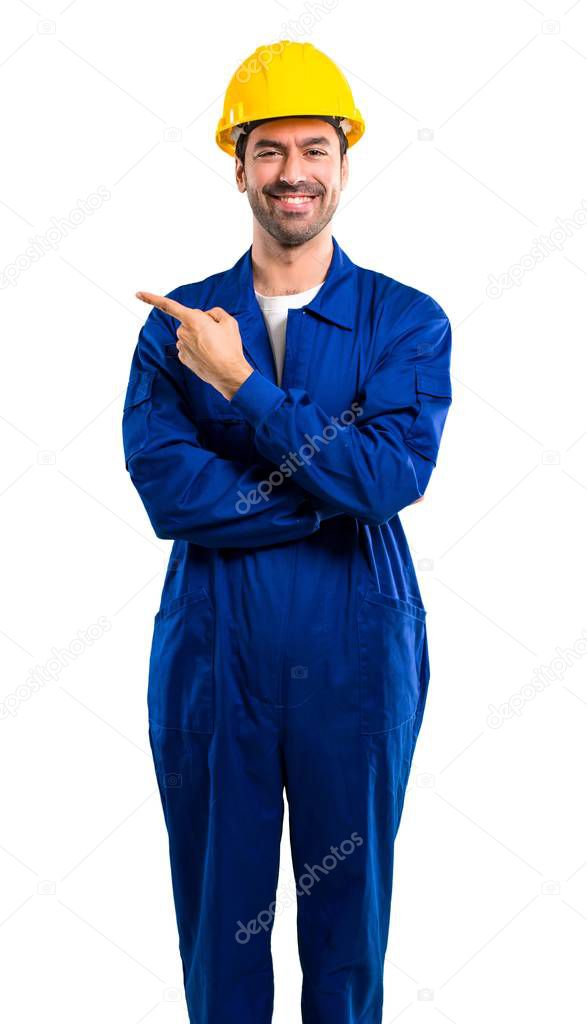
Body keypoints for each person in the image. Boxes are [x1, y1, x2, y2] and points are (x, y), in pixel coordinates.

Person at [122, 39, 453, 1024]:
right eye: (268, 151)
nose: (292, 172)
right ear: (237, 166)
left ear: (344, 163)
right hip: (214, 653)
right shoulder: (176, 325)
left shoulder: (404, 322)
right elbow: (167, 491)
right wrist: (319, 493)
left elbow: (390, 475)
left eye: (314, 148)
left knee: (343, 919)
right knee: (220, 909)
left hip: (354, 651)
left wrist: (244, 389)